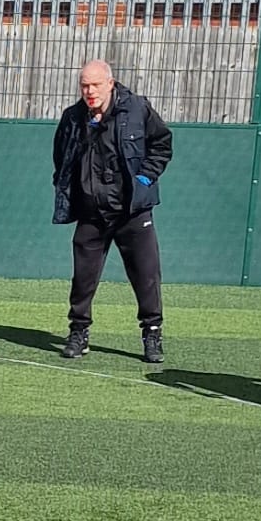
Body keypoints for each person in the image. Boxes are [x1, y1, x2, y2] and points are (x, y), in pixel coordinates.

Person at [51, 60, 172, 364]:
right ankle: (78, 332)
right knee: (83, 279)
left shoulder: (137, 109)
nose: (89, 91)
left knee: (146, 276)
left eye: (95, 85)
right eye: (84, 85)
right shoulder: (73, 117)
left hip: (132, 211)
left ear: (110, 83)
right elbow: (61, 156)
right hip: (92, 213)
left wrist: (145, 178)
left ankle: (152, 333)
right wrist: (69, 186)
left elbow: (162, 143)